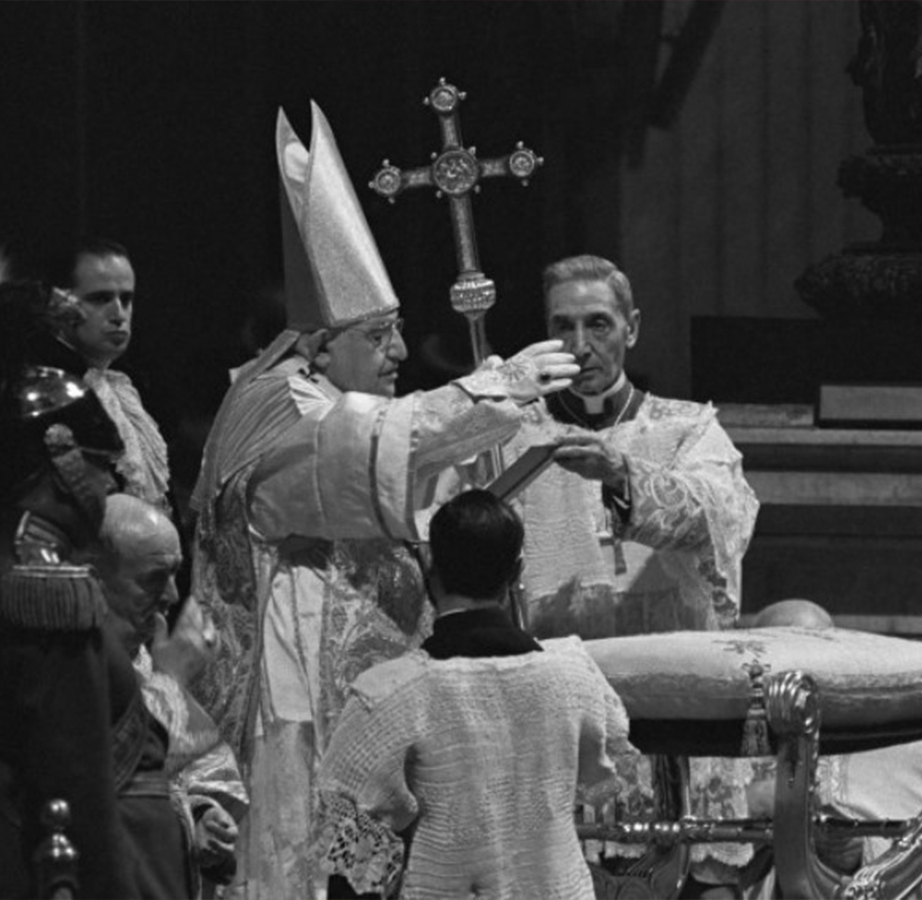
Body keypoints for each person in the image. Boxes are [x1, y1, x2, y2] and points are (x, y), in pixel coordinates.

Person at [190, 102, 577, 899]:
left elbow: (399, 464)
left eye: (397, 331)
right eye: (377, 335)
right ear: (317, 345)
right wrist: (489, 389)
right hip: (297, 708)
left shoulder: (328, 402)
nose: (399, 350)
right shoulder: (272, 410)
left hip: (365, 698)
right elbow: (358, 452)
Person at [480, 254, 758, 888]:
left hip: (674, 702)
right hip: (561, 707)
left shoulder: (688, 427)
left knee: (697, 879)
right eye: (564, 326)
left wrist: (623, 476)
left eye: (598, 324)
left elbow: (720, 515)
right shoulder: (511, 437)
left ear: (632, 327)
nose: (580, 345)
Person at [315, 490, 634, 900]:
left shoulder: (389, 695)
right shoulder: (575, 676)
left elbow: (350, 856)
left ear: (429, 569)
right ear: (517, 571)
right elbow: (604, 771)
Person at [0, 280, 136, 899]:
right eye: (102, 468)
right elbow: (74, 784)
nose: (109, 487)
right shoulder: (48, 594)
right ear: (63, 463)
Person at [738, 600, 922, 900]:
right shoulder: (721, 749)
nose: (797, 682)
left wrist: (859, 853)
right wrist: (754, 807)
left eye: (814, 657)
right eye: (781, 660)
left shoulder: (896, 744)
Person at [97, 493, 246, 898]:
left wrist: (201, 814)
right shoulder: (67, 663)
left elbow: (195, 772)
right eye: (153, 578)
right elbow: (112, 780)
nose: (172, 594)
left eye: (176, 574)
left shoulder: (143, 658)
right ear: (95, 577)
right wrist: (172, 682)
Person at [40, 238, 173, 511]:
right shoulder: (47, 393)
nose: (118, 314)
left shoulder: (131, 388)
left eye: (127, 299)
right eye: (100, 299)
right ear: (58, 304)